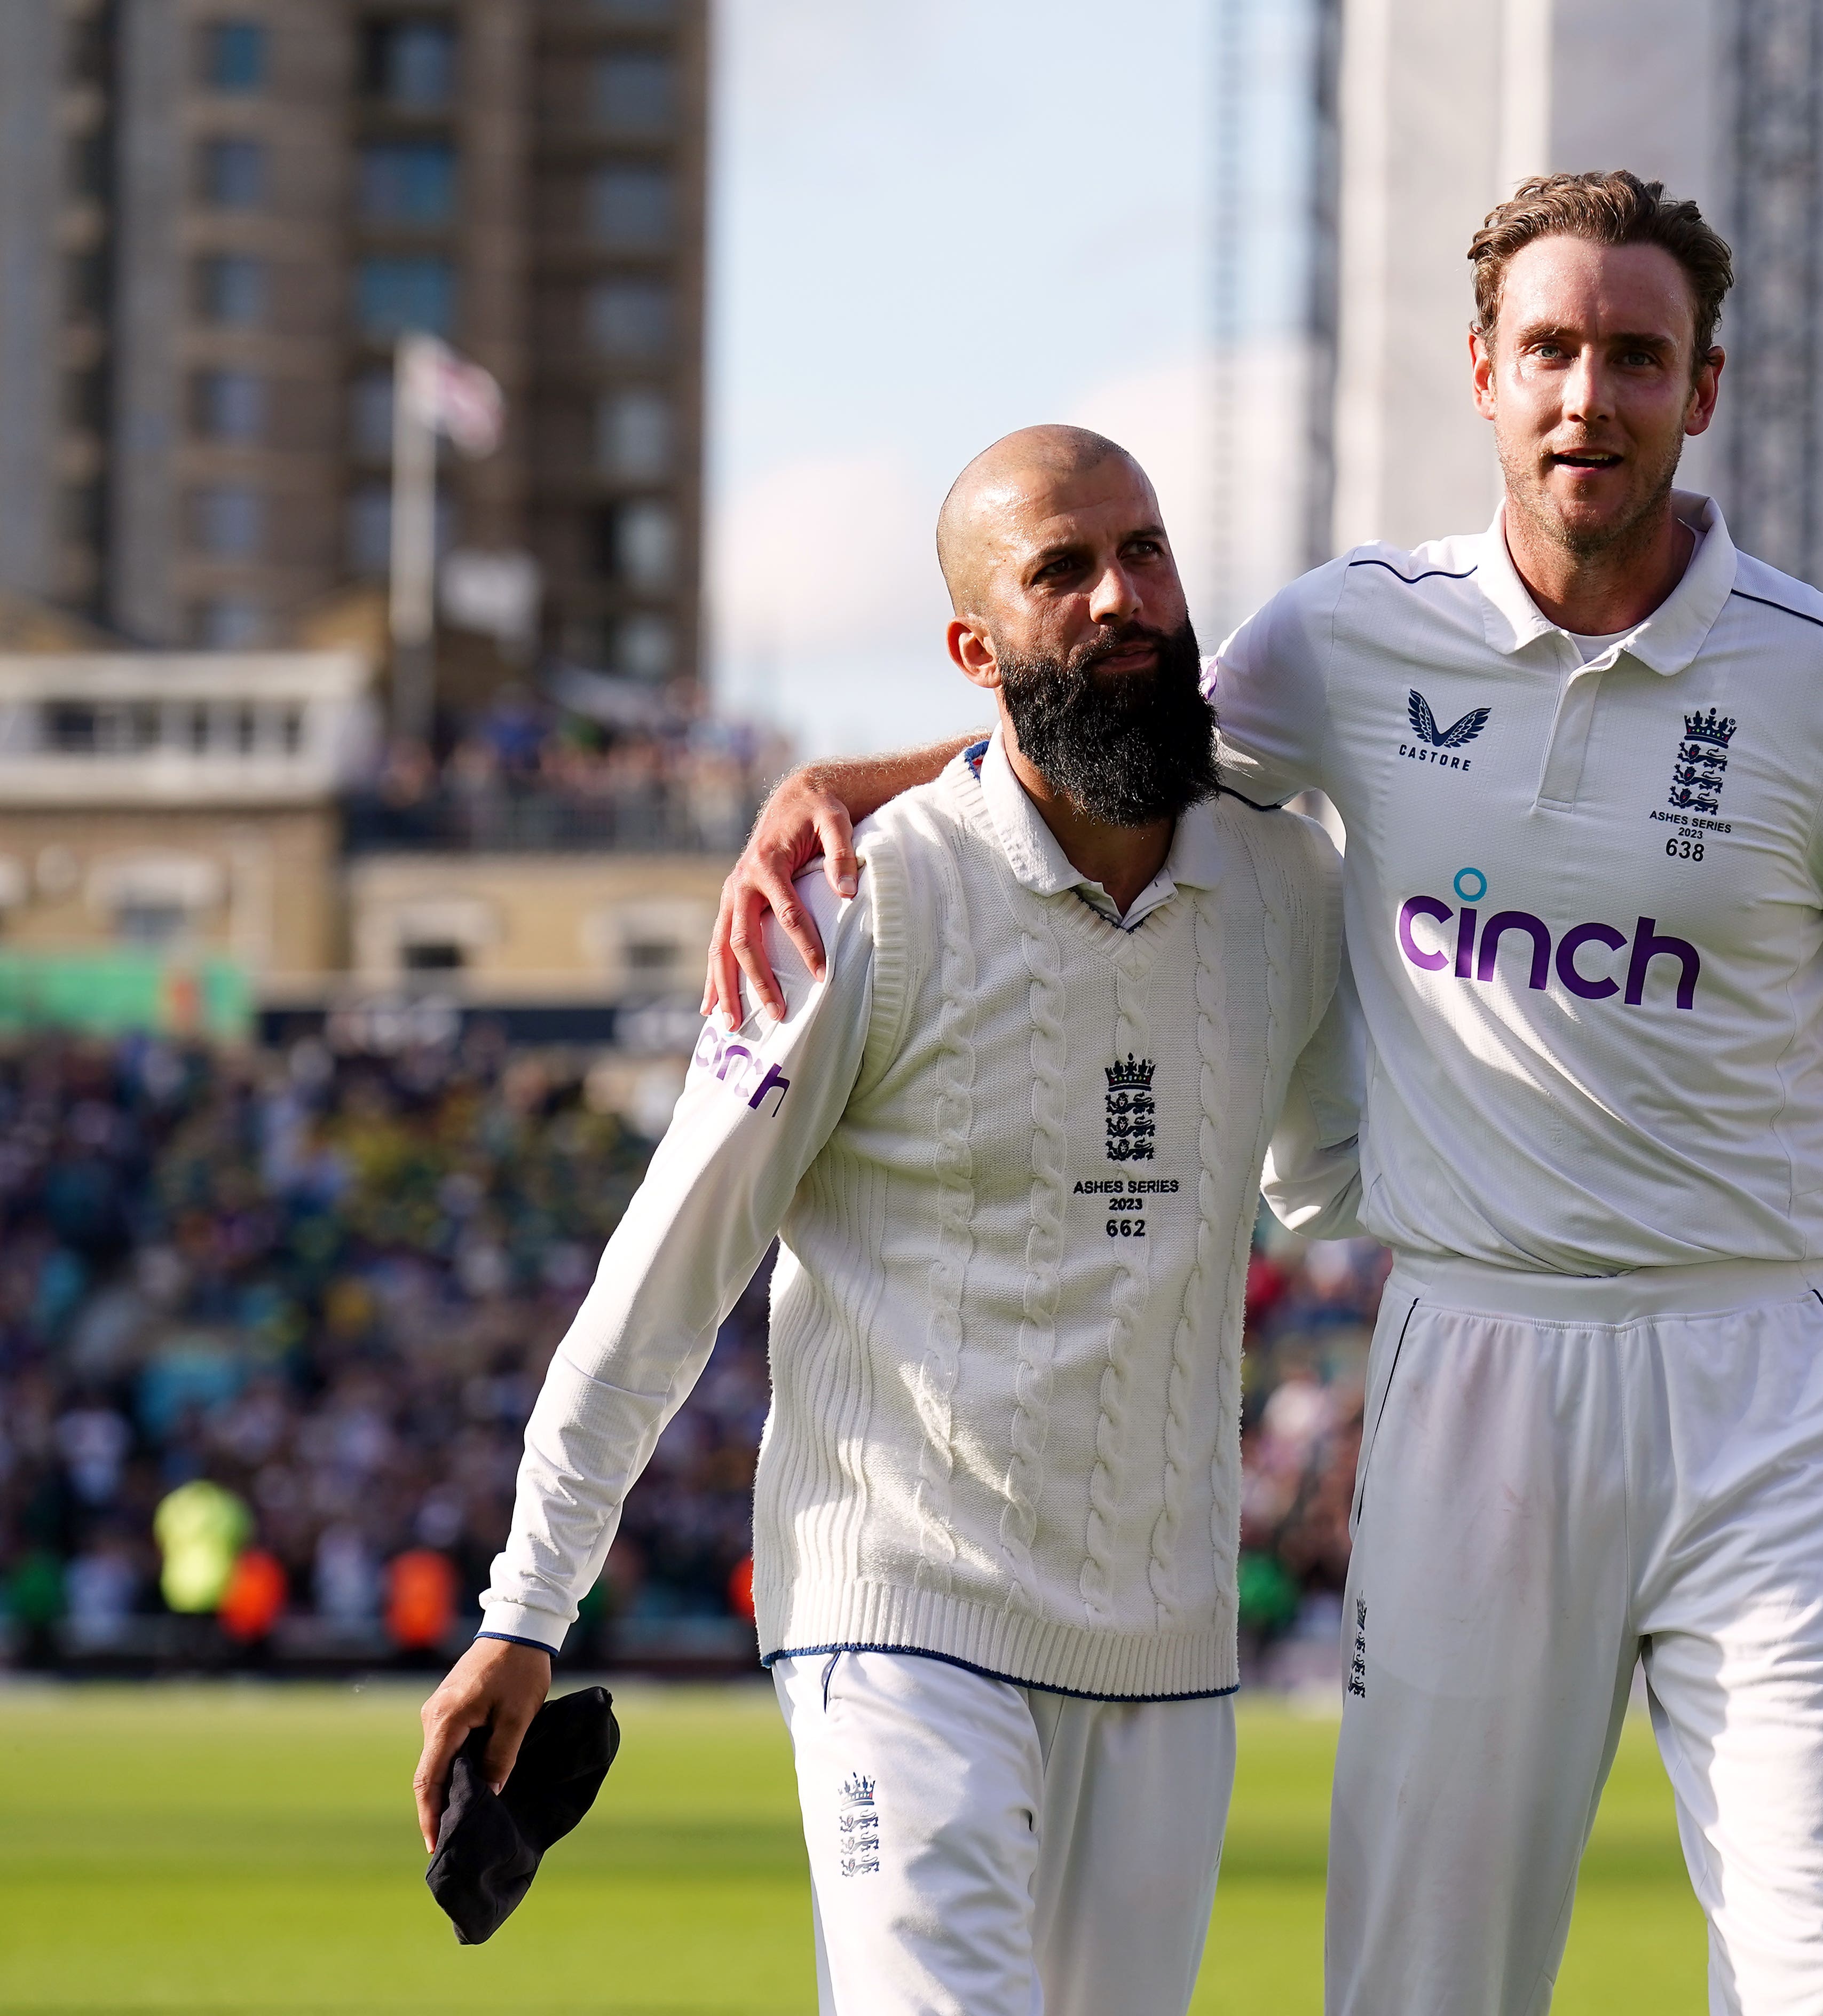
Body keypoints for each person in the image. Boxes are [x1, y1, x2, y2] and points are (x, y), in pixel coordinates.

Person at [703, 174, 1823, 2016]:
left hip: (1773, 1386)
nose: (1593, 397)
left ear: (1702, 390)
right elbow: (1114, 727)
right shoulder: (1347, 640)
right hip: (1475, 1370)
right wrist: (867, 774)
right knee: (1427, 1988)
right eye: (1554, 351)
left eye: (1638, 357)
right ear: (1483, 374)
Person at [417, 427, 1363, 2014]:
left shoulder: (1289, 890)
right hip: (900, 1624)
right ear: (972, 649)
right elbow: (664, 1280)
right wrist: (524, 1608)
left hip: (1172, 1647)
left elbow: (1334, 1173)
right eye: (1061, 571)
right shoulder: (846, 899)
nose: (1122, 596)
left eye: (1144, 552)